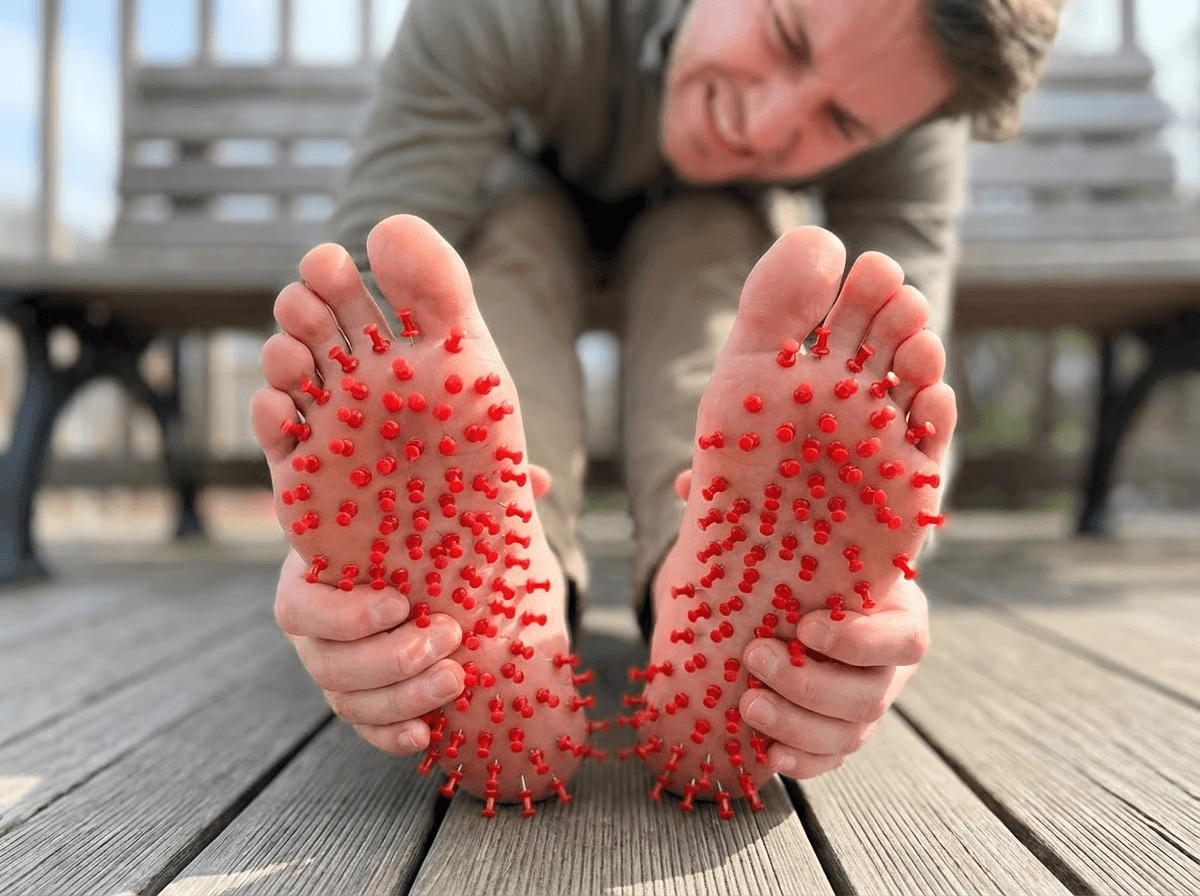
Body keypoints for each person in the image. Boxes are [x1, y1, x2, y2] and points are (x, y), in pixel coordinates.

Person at [252, 0, 1062, 810]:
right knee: (492, 264)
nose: (765, 122)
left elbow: (902, 394)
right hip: (510, 197)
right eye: (783, 34)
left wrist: (876, 589)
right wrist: (342, 552)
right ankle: (524, 569)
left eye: (842, 121)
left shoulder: (924, 98)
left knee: (726, 253)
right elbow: (366, 300)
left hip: (726, 229)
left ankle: (683, 565)